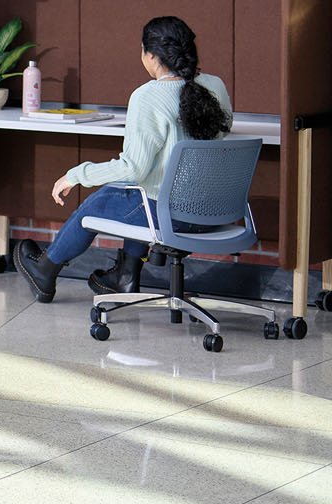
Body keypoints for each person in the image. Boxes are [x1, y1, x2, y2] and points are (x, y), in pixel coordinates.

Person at [15, 16, 232, 303]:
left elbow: (133, 168)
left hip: (172, 217)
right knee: (136, 194)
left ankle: (45, 270)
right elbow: (224, 128)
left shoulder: (148, 97)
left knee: (103, 200)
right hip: (214, 215)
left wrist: (76, 175)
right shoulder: (214, 86)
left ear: (150, 55)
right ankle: (126, 277)